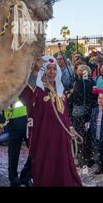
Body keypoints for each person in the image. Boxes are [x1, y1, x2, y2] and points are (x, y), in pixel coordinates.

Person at [19, 55, 82, 186]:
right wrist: (34, 72)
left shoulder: (61, 91)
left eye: (54, 69)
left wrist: (70, 127)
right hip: (44, 135)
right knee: (47, 164)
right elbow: (25, 98)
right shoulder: (38, 90)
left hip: (62, 136)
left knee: (63, 163)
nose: (52, 71)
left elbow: (65, 113)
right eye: (48, 68)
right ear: (44, 71)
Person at [68, 64, 97, 167]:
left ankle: (79, 158)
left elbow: (76, 97)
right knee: (87, 134)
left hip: (79, 112)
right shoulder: (92, 82)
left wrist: (70, 95)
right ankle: (87, 158)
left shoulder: (79, 82)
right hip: (90, 111)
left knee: (78, 134)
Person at [7, 98, 32, 187]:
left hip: (29, 119)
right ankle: (14, 180)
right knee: (13, 154)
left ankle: (25, 176)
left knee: (35, 151)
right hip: (14, 119)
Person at [89, 92, 103, 175]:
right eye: (99, 98)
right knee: (99, 152)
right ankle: (100, 168)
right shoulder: (95, 110)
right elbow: (93, 121)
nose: (100, 100)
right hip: (97, 135)